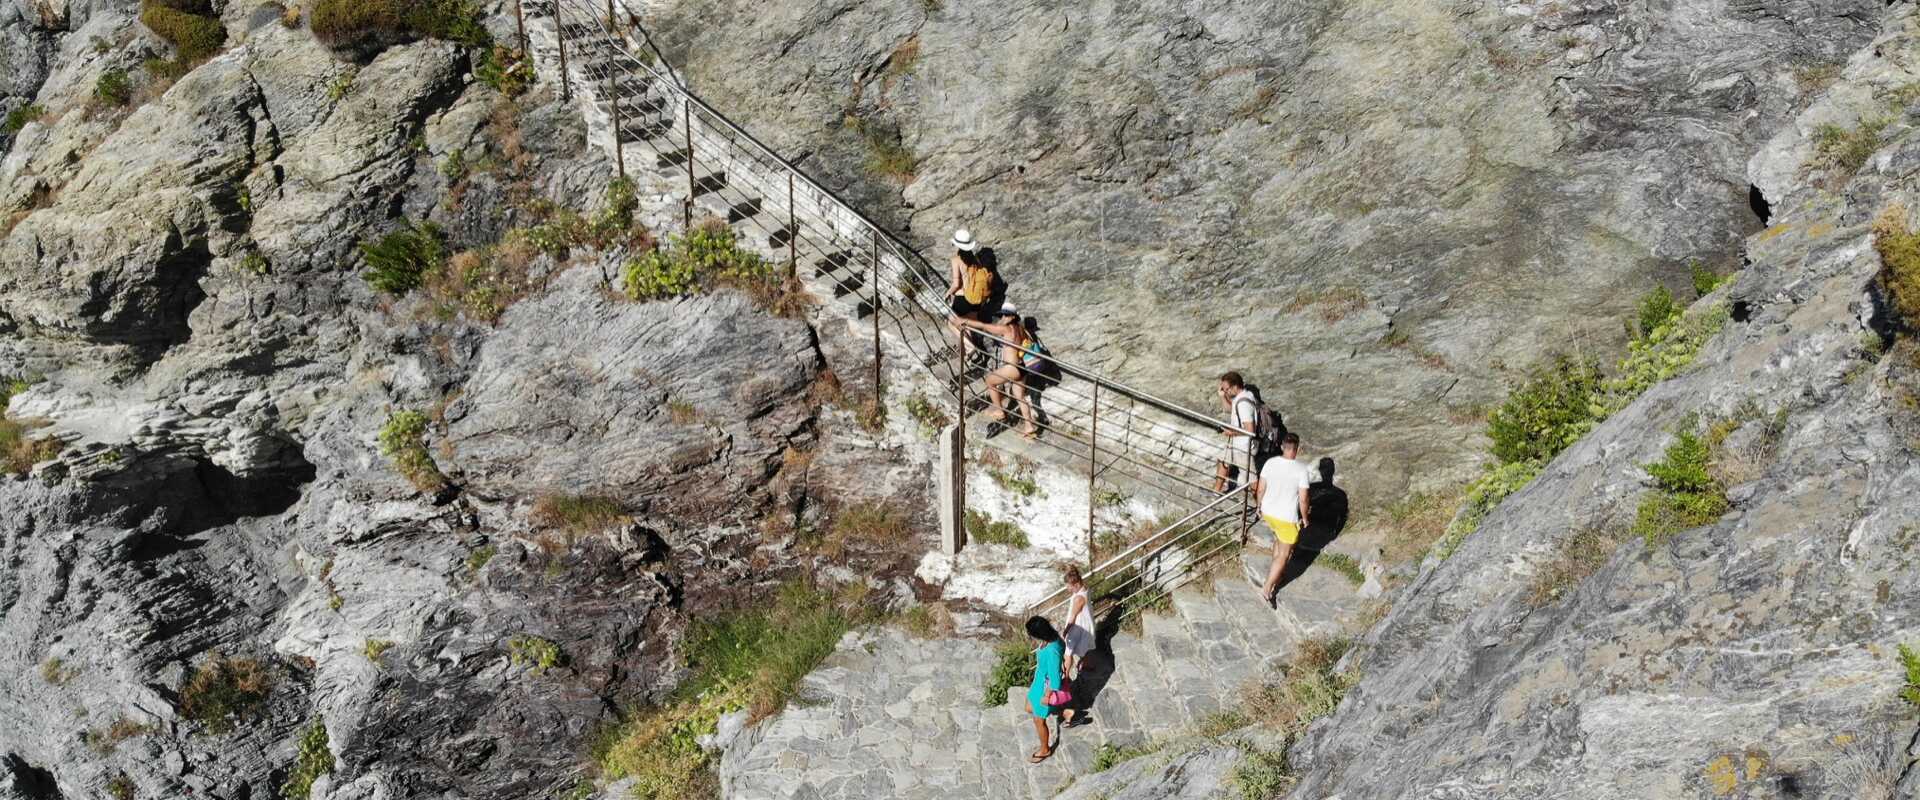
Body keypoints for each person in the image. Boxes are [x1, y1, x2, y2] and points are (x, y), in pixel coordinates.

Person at [953, 306, 1041, 439]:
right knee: (1020, 397)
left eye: (1005, 315)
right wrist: (1002, 321)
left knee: (990, 381)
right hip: (1022, 367)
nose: (1002, 318)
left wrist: (964, 321)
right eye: (1001, 315)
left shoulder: (1007, 329)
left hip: (1012, 367)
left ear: (1012, 317)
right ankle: (1029, 427)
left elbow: (984, 326)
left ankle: (1000, 411)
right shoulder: (1020, 329)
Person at [1254, 432, 1312, 607]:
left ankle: (1276, 574)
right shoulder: (1301, 469)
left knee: (1279, 542)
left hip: (1269, 512)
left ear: (1282, 447)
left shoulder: (1270, 463)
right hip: (1286, 517)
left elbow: (1261, 488)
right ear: (1297, 449)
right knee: (1284, 555)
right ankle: (1267, 589)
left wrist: (1258, 506)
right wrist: (1305, 517)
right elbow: (1303, 499)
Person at [944, 229, 995, 358]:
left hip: (963, 298)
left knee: (951, 323)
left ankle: (970, 347)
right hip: (977, 298)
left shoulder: (956, 259)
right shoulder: (976, 259)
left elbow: (956, 284)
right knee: (966, 324)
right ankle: (972, 354)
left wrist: (947, 293)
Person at [1023, 615, 1064, 763]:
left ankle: (1045, 749)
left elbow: (1055, 681)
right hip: (1038, 683)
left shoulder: (1052, 651)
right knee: (1028, 707)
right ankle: (1061, 710)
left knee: (1038, 720)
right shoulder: (1051, 638)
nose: (1030, 636)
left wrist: (1047, 696)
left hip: (1044, 688)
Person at [1059, 566, 1095, 730]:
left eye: (1068, 586)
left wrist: (1065, 631)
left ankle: (1066, 675)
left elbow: (1073, 617)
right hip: (1085, 625)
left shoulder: (1078, 598)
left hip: (1077, 628)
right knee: (1085, 649)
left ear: (1074, 584)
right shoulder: (1084, 589)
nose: (1067, 589)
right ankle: (1086, 666)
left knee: (1068, 652)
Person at [1213, 372, 1260, 494]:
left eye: (1227, 389)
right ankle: (1216, 491)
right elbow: (1230, 409)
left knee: (1252, 480)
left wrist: (1231, 432)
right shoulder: (1242, 397)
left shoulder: (1244, 404)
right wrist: (1222, 396)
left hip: (1244, 447)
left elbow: (1250, 430)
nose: (1226, 391)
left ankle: (1260, 503)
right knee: (1223, 459)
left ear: (1235, 386)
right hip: (1236, 443)